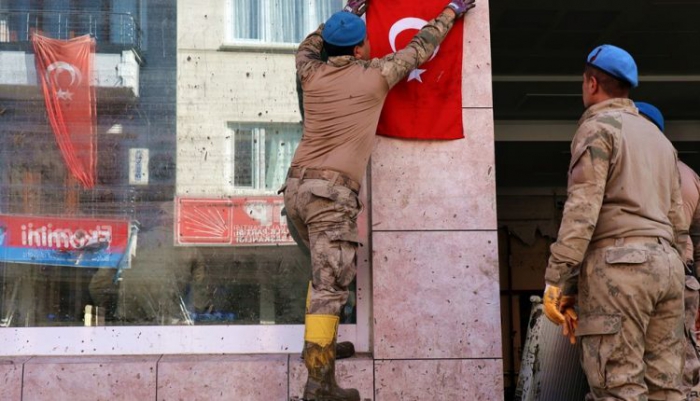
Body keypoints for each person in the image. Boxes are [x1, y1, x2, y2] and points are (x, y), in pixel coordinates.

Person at [280, 0, 476, 399]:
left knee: (323, 278)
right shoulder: (375, 76)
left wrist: (347, 15)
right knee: (330, 286)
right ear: (356, 51)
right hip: (329, 197)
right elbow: (422, 46)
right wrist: (451, 11)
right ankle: (319, 385)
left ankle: (322, 349)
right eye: (364, 41)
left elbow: (305, 46)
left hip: (296, 191)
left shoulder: (310, 72)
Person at [541, 44, 688, 400]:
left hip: (621, 271)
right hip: (668, 269)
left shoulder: (598, 128)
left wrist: (557, 279)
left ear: (592, 83)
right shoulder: (659, 139)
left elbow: (582, 210)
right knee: (666, 389)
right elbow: (677, 220)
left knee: (618, 385)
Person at [636, 101, 700, 401]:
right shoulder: (690, 175)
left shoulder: (620, 165)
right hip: (681, 278)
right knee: (679, 364)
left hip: (630, 278)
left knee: (623, 365)